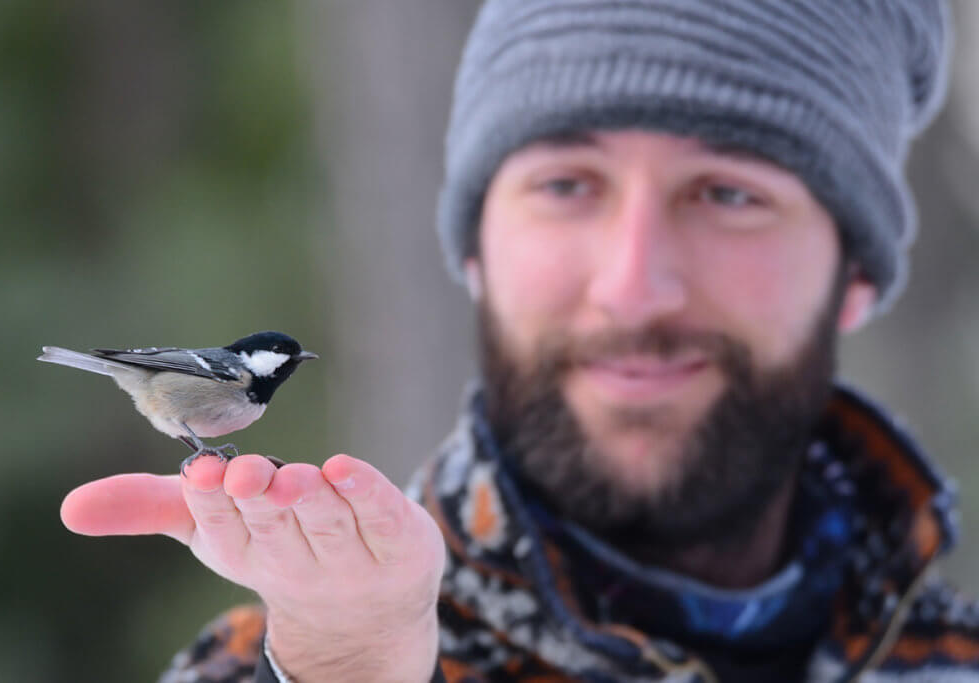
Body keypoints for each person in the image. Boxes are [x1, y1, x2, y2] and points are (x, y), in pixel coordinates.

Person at [59, 1, 979, 681]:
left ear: (855, 272)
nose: (631, 282)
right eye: (569, 185)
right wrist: (351, 662)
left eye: (729, 193)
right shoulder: (282, 655)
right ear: (477, 252)